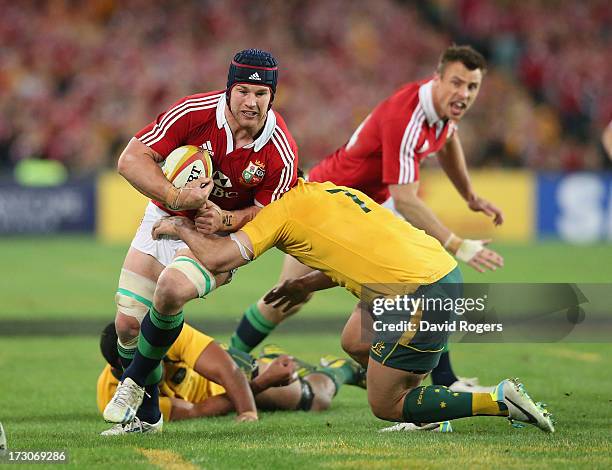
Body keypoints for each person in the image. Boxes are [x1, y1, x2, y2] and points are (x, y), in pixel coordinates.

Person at [146, 178, 554, 433]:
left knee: (385, 405)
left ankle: (499, 398)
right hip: (429, 272)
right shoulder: (325, 190)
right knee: (355, 340)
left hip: (417, 294)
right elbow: (351, 249)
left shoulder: (277, 216)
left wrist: (181, 225)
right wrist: (306, 281)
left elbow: (217, 260)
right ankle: (427, 415)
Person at [230, 45, 503, 393]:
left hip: (369, 210)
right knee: (293, 294)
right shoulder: (407, 116)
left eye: (471, 87)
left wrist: (470, 196)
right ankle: (233, 356)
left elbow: (448, 142)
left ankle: (438, 379)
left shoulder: (443, 111)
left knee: (420, 280)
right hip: (326, 204)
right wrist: (458, 245)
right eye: (457, 83)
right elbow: (406, 199)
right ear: (437, 79)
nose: (463, 94)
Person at [105, 48, 298, 431]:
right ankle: (148, 417)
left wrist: (229, 217)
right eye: (243, 91)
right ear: (229, 89)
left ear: (271, 96)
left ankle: (131, 383)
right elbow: (130, 159)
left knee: (171, 289)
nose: (251, 102)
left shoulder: (282, 152)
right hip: (165, 215)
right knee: (127, 325)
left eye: (261, 95)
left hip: (218, 239)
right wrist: (176, 197)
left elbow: (271, 214)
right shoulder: (193, 113)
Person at [98, 323, 365, 434]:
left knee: (311, 398)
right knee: (311, 399)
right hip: (220, 397)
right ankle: (275, 361)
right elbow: (195, 411)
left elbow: (226, 369)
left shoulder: (166, 334)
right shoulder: (113, 397)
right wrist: (264, 382)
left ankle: (344, 369)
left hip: (232, 375)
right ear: (118, 369)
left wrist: (248, 410)